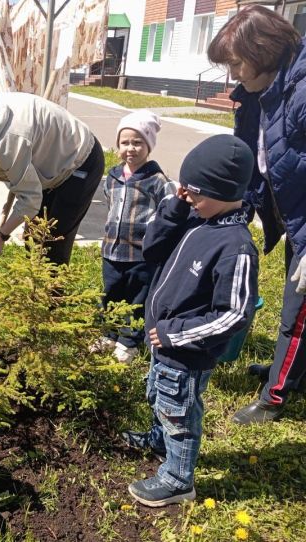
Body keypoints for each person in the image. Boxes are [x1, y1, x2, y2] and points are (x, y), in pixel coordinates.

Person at [124, 135, 259, 507]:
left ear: (224, 191)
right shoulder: (195, 216)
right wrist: (176, 208)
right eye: (186, 189)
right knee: (160, 398)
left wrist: (174, 335)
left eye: (196, 192)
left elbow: (233, 314)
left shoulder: (235, 245)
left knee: (179, 413)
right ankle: (158, 439)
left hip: (185, 350)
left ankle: (178, 478)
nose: (189, 196)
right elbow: (152, 249)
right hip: (163, 343)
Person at [208, 5, 306, 424]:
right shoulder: (255, 93)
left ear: (262, 50)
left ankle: (275, 397)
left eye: (235, 63)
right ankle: (291, 373)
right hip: (295, 213)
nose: (232, 74)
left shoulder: (302, 94)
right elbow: (251, 155)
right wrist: (239, 210)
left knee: (297, 310)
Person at [0, 92, 105, 265]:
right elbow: (23, 185)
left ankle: (51, 291)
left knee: (52, 243)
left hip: (79, 160)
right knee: (33, 237)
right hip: (48, 161)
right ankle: (35, 285)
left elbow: (30, 199)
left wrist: (1, 236)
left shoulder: (8, 142)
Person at [99, 110, 176, 363]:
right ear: (117, 145)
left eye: (137, 142)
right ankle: (108, 333)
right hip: (111, 251)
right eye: (125, 142)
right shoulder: (112, 177)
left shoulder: (157, 180)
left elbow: (167, 215)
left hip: (140, 255)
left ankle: (129, 340)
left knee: (135, 298)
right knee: (110, 293)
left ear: (149, 146)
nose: (130, 148)